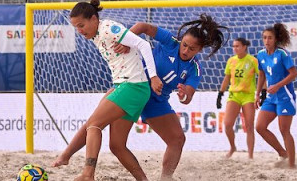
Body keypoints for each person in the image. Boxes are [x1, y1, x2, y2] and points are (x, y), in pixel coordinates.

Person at [56, 15, 228, 181]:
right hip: (134, 86)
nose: (185, 50)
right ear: (181, 39)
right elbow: (143, 26)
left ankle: (165, 178)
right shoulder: (170, 42)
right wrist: (127, 41)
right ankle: (66, 156)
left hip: (156, 101)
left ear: (199, 50)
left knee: (177, 140)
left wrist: (183, 95)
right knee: (99, 127)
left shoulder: (194, 69)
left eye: (191, 49)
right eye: (184, 45)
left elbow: (188, 96)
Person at [60, 0, 161, 181]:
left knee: (93, 125)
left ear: (93, 19)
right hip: (127, 86)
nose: (79, 31)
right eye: (76, 28)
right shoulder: (96, 33)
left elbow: (144, 45)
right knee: (117, 146)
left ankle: (87, 174)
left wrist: (153, 76)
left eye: (81, 25)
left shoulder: (108, 28)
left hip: (132, 86)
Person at [255, 22, 297, 169]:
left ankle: (292, 164)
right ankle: (282, 153)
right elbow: (261, 74)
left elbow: (294, 73)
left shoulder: (282, 54)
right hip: (270, 97)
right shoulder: (260, 54)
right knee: (260, 127)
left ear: (276, 39)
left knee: (284, 130)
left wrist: (278, 85)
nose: (267, 41)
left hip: (285, 96)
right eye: (265, 38)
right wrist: (258, 94)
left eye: (270, 38)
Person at [218, 36, 258, 159]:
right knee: (228, 124)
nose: (235, 48)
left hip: (248, 96)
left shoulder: (252, 60)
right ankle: (233, 147)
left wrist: (262, 92)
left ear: (244, 47)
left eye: (237, 46)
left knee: (250, 126)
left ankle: (250, 156)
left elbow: (261, 76)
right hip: (234, 95)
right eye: (233, 46)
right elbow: (227, 78)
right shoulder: (231, 61)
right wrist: (220, 94)